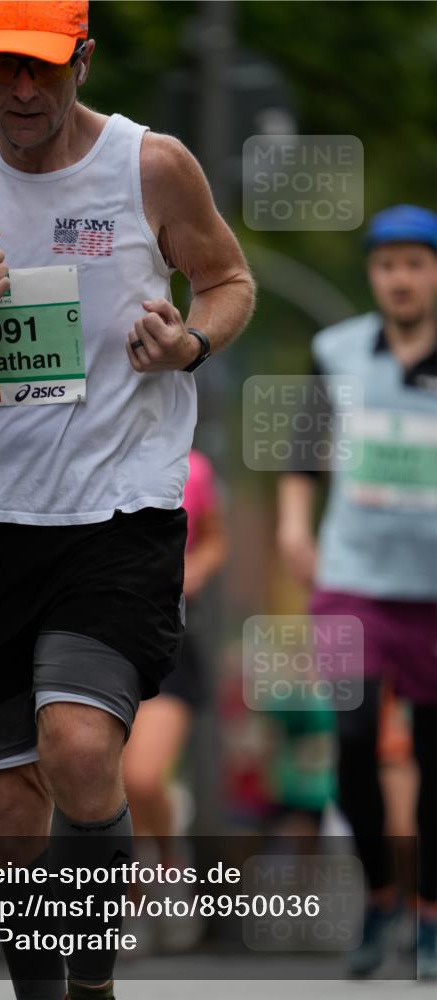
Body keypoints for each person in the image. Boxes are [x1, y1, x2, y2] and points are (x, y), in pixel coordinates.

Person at [0, 2, 255, 997]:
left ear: (81, 58)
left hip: (116, 510)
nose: (22, 93)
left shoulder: (149, 166)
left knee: (78, 750)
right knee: (8, 804)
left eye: (42, 70)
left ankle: (93, 977)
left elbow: (229, 278)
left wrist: (192, 342)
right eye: (3, 72)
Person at [277, 204, 437, 981]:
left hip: (431, 593)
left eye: (415, 264)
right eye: (386, 265)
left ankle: (429, 914)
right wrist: (291, 527)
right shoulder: (334, 351)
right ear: (371, 275)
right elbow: (303, 452)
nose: (400, 279)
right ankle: (378, 898)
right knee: (349, 737)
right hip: (351, 582)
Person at [122, 449, 225, 857]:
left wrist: (196, 568)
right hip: (99, 634)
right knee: (106, 786)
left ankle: (169, 860)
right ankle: (129, 897)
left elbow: (217, 540)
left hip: (170, 636)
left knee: (142, 777)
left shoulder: (194, 466)